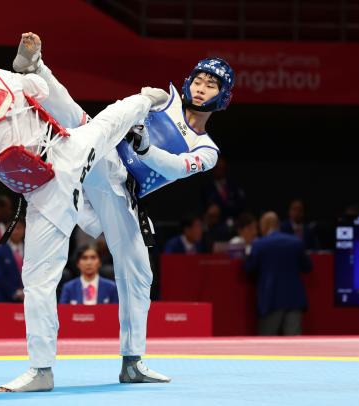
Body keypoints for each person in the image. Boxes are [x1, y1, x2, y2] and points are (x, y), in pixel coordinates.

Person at [0, 39, 167, 392]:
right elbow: (37, 87)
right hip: (70, 152)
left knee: (38, 283)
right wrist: (23, 89)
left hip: (47, 194)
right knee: (106, 124)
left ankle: (42, 371)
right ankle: (146, 99)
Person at [12, 33, 233, 388]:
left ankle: (132, 362)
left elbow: (176, 168)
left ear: (222, 98)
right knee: (81, 121)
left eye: (212, 86)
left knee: (139, 272)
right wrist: (144, 110)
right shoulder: (162, 99)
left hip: (120, 195)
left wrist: (145, 149)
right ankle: (35, 68)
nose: (202, 88)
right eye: (200, 80)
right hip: (103, 161)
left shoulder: (207, 149)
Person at [244, 211, 313, 336]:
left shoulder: (259, 244)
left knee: (267, 346)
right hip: (294, 300)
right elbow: (308, 267)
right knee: (294, 346)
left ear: (264, 226)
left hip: (271, 300)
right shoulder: (296, 242)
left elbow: (249, 268)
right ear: (278, 225)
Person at [0, 219, 25, 302]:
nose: (16, 231)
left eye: (19, 228)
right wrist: (15, 292)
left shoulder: (32, 251)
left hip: (29, 298)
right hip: (5, 299)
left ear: (25, 229)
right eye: (13, 228)